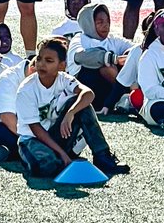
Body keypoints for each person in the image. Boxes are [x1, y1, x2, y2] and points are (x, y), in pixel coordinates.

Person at [15, 38, 130, 178]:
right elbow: (36, 129)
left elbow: (88, 94)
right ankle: (42, 159)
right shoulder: (26, 89)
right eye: (39, 59)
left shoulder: (64, 79)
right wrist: (62, 153)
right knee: (48, 167)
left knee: (82, 104)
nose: (41, 64)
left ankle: (103, 157)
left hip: (56, 135)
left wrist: (71, 113)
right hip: (32, 140)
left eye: (49, 61)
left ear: (61, 65)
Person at [71, 4, 133, 112]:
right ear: (88, 24)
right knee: (106, 66)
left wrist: (131, 55)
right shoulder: (79, 39)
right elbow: (79, 56)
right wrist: (112, 58)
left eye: (107, 21)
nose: (105, 25)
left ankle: (130, 97)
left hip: (108, 89)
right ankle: (125, 96)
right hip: (86, 89)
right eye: (100, 22)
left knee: (132, 58)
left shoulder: (112, 39)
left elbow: (136, 49)